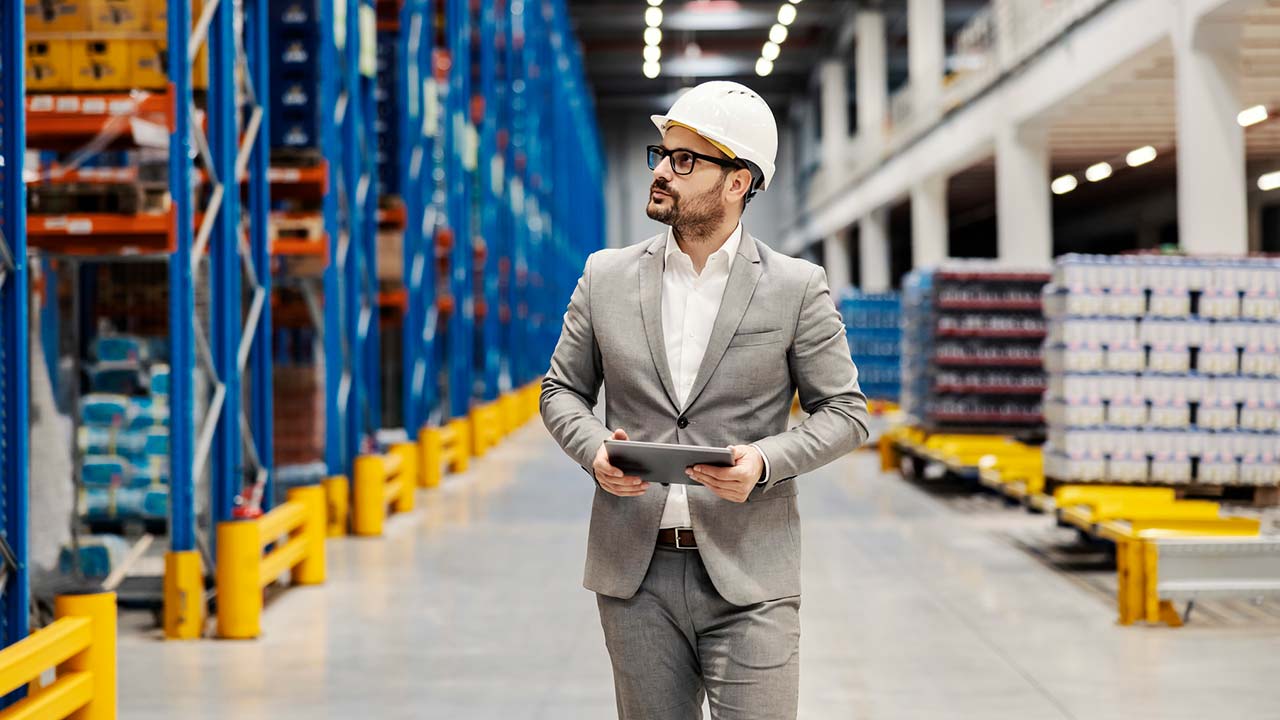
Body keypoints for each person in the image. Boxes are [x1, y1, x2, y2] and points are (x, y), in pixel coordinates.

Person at [540, 80, 870, 720]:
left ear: (738, 182)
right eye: (661, 155)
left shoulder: (796, 288)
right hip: (636, 574)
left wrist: (765, 462)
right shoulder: (604, 277)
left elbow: (845, 413)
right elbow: (562, 391)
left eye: (685, 160)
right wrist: (594, 449)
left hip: (752, 573)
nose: (662, 171)